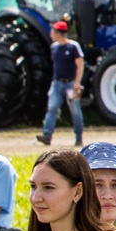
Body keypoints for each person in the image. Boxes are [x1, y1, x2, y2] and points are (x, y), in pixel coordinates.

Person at [38, 18, 85, 147]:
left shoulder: (73, 46)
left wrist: (77, 83)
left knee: (75, 111)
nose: (50, 34)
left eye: (52, 31)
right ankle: (47, 135)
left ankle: (79, 137)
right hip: (57, 83)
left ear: (58, 33)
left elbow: (80, 65)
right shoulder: (54, 48)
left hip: (71, 84)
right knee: (52, 108)